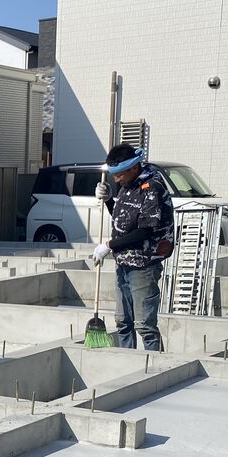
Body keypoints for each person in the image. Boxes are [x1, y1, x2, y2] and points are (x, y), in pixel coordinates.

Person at [92, 144, 174, 351]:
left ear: (134, 168)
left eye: (119, 175)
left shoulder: (152, 187)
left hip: (143, 264)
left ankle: (153, 363)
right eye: (114, 175)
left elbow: (144, 231)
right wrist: (109, 200)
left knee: (145, 325)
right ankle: (127, 361)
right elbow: (123, 220)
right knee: (123, 322)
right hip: (123, 262)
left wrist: (109, 245)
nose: (116, 179)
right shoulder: (127, 185)